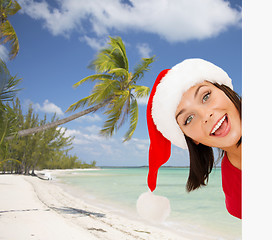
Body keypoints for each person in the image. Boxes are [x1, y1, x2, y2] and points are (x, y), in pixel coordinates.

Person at [146, 58, 242, 219]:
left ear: (225, 90)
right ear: (191, 139)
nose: (206, 115)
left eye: (206, 96)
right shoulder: (234, 192)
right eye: (189, 119)